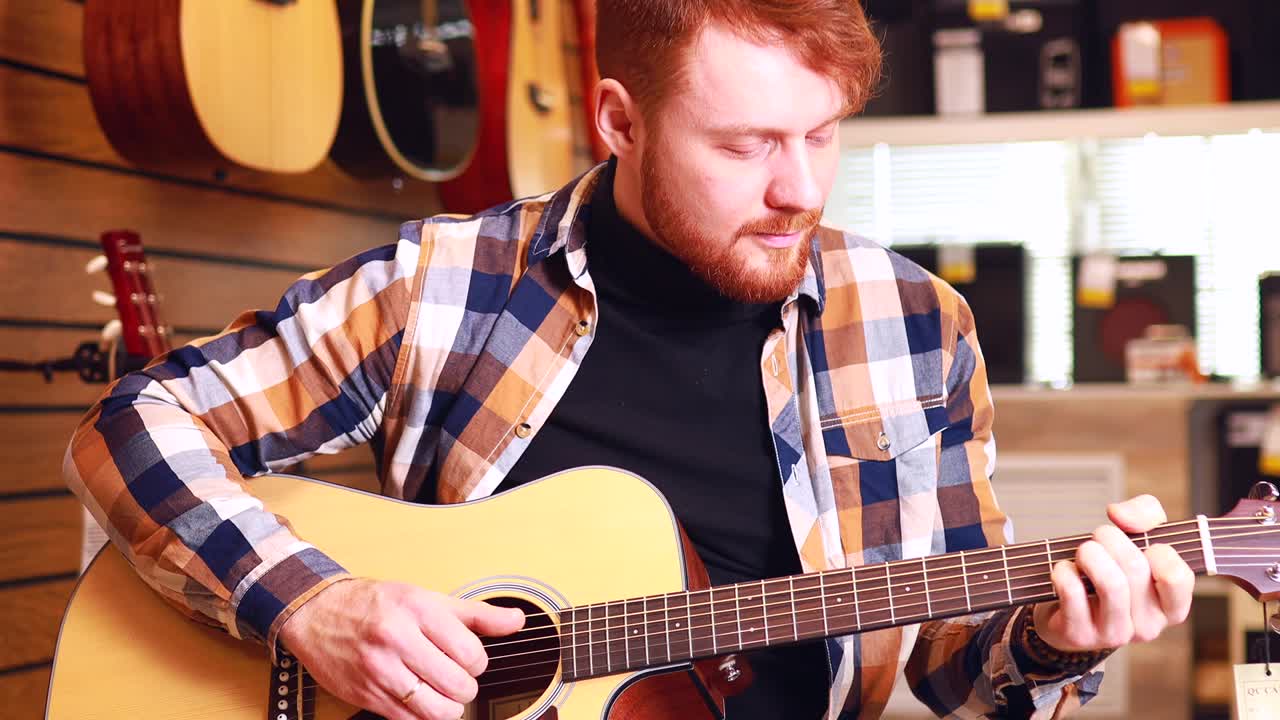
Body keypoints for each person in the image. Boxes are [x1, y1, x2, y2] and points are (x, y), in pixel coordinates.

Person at [64, 1, 1196, 718]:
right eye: (747, 143)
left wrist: (1052, 641)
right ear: (617, 119)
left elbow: (955, 670)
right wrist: (311, 604)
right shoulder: (445, 285)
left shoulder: (913, 322)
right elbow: (131, 425)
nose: (800, 187)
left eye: (820, 132)